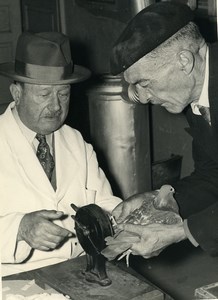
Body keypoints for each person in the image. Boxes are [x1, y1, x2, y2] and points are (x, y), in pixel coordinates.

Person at [0, 31, 121, 276]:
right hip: (11, 279)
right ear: (17, 93)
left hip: (78, 270)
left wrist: (127, 218)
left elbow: (105, 205)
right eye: (44, 95)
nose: (56, 106)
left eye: (63, 94)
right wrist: (19, 228)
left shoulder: (75, 140)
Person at [110, 1, 218, 258]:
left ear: (183, 61)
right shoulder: (199, 96)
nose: (144, 97)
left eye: (144, 83)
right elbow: (213, 174)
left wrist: (183, 231)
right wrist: (159, 201)